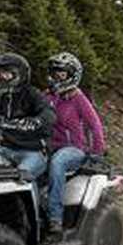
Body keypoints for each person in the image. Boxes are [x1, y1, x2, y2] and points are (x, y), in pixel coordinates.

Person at [44, 52, 106, 233]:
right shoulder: (48, 97)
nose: (56, 77)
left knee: (57, 163)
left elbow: (95, 126)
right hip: (48, 145)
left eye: (61, 74)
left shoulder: (78, 99)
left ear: (72, 75)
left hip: (73, 149)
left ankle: (55, 217)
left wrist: (97, 152)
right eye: (54, 73)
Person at [0, 52, 56, 180]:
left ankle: (36, 200)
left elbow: (49, 114)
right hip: (5, 149)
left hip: (32, 151)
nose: (2, 77)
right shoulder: (1, 97)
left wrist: (36, 121)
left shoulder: (32, 94)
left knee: (21, 178)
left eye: (6, 73)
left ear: (19, 74)